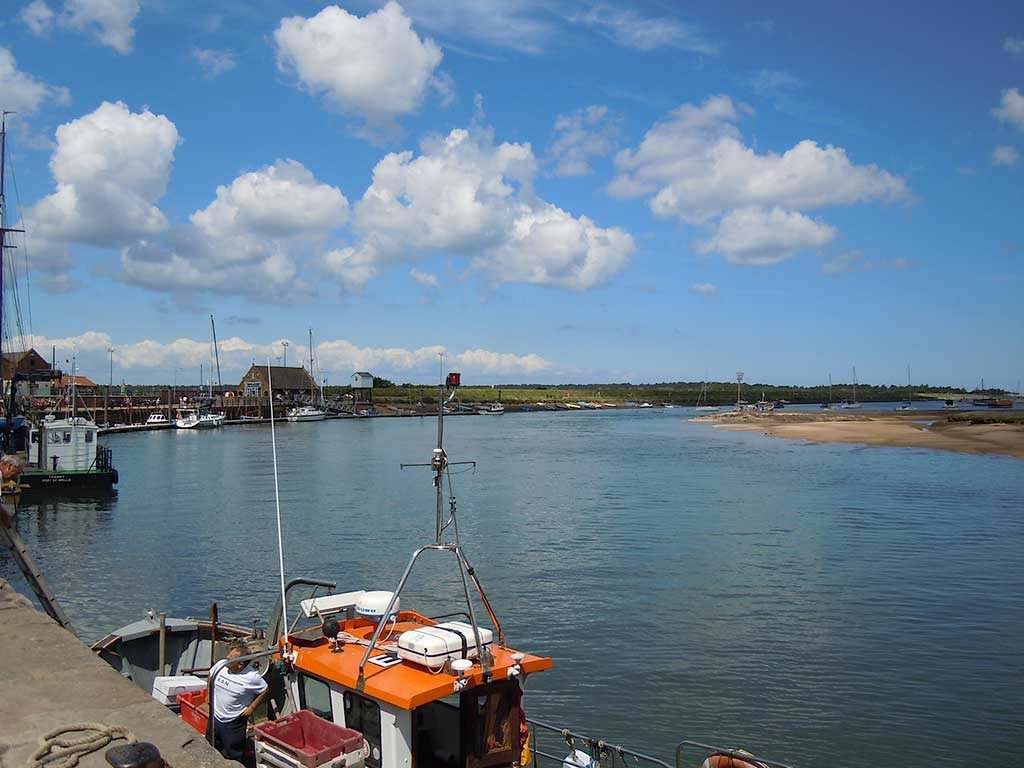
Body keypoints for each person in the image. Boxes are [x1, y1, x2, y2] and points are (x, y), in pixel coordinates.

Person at [210, 641, 268, 764]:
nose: (226, 658)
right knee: (212, 745)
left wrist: (251, 708)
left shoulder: (252, 677)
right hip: (215, 717)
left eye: (230, 658)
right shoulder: (221, 665)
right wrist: (208, 695)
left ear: (240, 664)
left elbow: (265, 690)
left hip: (233, 722)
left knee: (234, 753)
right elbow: (211, 675)